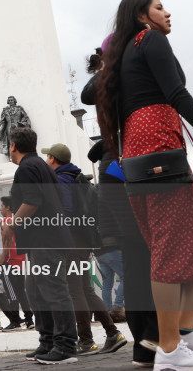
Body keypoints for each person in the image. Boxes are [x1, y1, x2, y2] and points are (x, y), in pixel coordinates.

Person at [94, 0, 193, 370]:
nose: (167, 12)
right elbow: (176, 92)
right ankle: (171, 350)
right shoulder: (149, 40)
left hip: (144, 153)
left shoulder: (123, 58)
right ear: (142, 15)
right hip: (157, 147)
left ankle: (185, 334)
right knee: (169, 247)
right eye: (159, 7)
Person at [83, 40, 157, 367]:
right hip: (123, 171)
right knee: (140, 257)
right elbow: (89, 93)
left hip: (120, 171)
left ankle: (147, 344)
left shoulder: (115, 83)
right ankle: (149, 341)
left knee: (137, 259)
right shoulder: (114, 79)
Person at [41, 142, 126, 356]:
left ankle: (87, 341)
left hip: (71, 242)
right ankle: (112, 333)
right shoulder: (75, 177)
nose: (45, 160)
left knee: (75, 291)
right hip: (82, 240)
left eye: (47, 157)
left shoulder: (62, 180)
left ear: (53, 159)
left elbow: (67, 212)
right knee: (86, 290)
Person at [1, 127, 77, 365]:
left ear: (13, 145)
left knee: (54, 291)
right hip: (42, 240)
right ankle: (48, 342)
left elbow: (32, 202)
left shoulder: (27, 167)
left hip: (46, 240)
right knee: (35, 291)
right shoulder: (40, 166)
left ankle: (65, 346)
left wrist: (11, 224)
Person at [0, 196, 34, 329]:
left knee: (11, 293)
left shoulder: (5, 221)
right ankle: (29, 320)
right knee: (21, 292)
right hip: (20, 261)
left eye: (1, 206)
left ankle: (15, 322)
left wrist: (2, 259)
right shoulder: (18, 221)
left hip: (10, 262)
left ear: (8, 208)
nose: (0, 209)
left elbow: (7, 242)